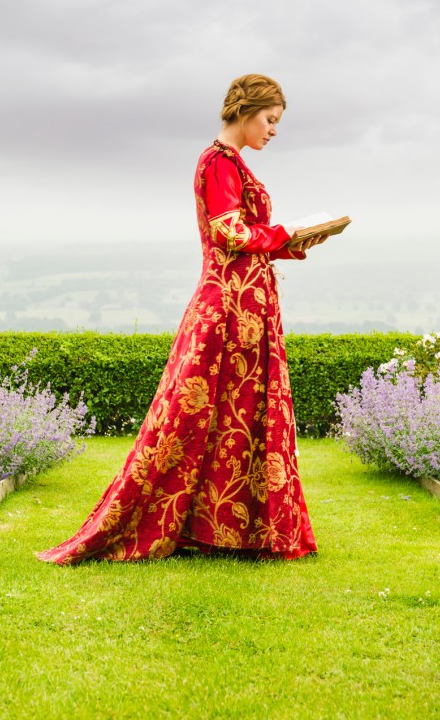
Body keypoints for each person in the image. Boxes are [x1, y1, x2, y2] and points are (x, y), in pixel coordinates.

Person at [37, 74, 329, 565]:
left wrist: (294, 241)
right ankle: (160, 524)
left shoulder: (233, 164)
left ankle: (236, 530)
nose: (274, 131)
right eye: (270, 120)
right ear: (245, 110)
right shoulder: (218, 163)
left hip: (247, 309)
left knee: (234, 421)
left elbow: (246, 237)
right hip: (228, 311)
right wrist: (286, 231)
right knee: (188, 421)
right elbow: (230, 232)